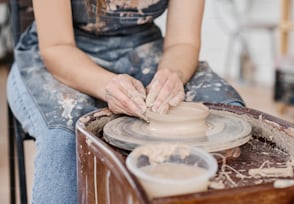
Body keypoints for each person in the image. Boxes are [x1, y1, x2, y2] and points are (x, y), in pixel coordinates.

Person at [7, 0, 245, 203]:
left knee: (230, 119)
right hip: (62, 53)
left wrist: (173, 75)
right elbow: (57, 48)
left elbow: (182, 42)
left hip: (145, 48)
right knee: (68, 138)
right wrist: (106, 86)